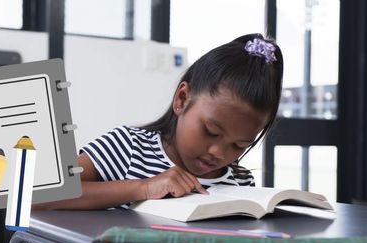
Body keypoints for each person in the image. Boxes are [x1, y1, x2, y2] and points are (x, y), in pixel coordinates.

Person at [33, 33, 283, 210]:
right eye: (210, 131)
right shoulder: (128, 147)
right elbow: (37, 196)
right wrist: (143, 188)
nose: (219, 152)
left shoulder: (240, 181)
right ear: (182, 99)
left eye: (239, 146)